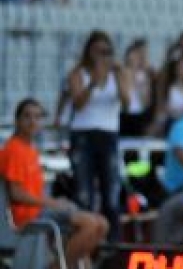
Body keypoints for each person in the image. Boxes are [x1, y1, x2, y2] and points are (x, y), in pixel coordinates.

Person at [1, 99, 109, 269]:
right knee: (90, 225)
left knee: (102, 224)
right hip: (28, 217)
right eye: (27, 116)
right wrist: (52, 203)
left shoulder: (30, 149)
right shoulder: (13, 149)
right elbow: (16, 194)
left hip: (41, 210)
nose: (32, 121)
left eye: (37, 117)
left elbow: (33, 192)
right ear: (17, 120)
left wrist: (56, 203)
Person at [66, 30, 130, 240]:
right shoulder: (78, 73)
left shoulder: (118, 74)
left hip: (108, 134)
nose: (102, 56)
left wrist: (118, 76)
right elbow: (78, 104)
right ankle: (82, 238)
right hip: (83, 134)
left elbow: (127, 103)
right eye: (98, 51)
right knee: (83, 193)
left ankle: (112, 241)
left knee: (111, 192)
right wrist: (93, 83)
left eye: (106, 51)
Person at [119, 38, 156, 137]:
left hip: (139, 115)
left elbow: (146, 101)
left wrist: (139, 82)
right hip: (123, 114)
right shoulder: (122, 72)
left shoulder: (145, 75)